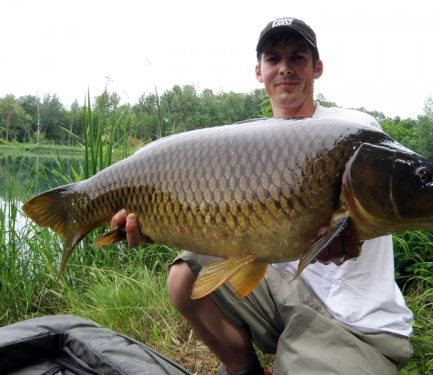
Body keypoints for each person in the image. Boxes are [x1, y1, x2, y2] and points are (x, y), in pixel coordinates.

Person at [111, 17, 413, 375]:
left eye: (298, 58)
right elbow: (209, 216)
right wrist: (156, 225)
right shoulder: (248, 143)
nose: (285, 69)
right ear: (259, 71)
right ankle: (245, 370)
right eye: (274, 59)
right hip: (285, 292)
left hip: (353, 318)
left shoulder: (353, 129)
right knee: (182, 277)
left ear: (317, 68)